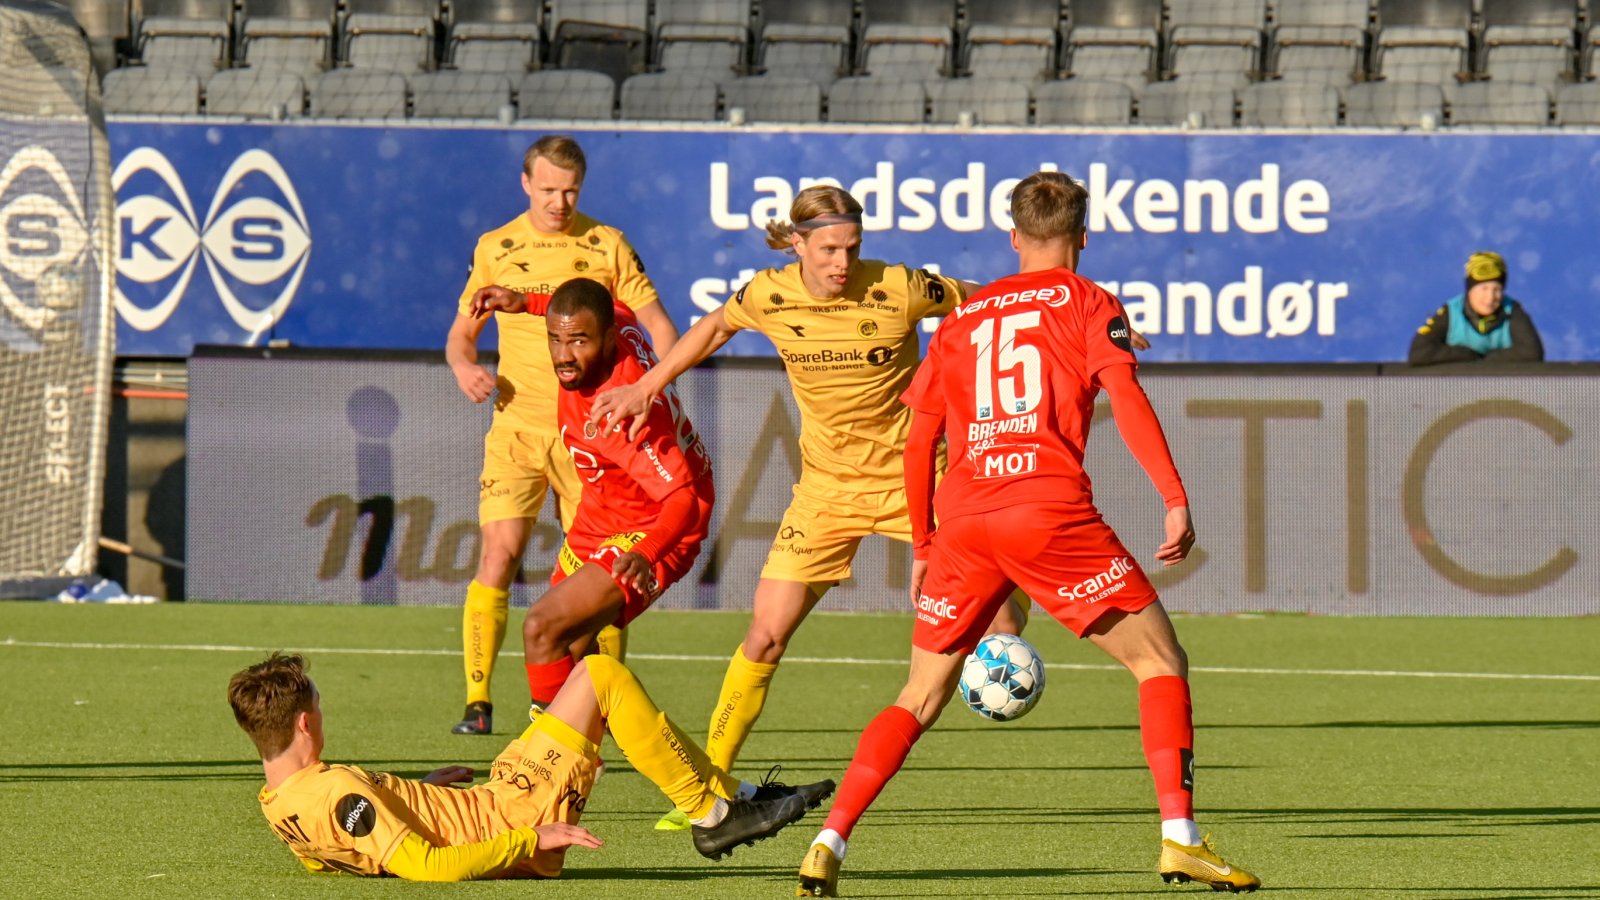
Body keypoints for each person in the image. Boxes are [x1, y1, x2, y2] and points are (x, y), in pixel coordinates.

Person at [795, 171, 1260, 896]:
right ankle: (1181, 839)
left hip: (965, 521)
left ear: (1013, 238)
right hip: (1046, 511)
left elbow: (919, 442)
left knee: (917, 695)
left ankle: (830, 839)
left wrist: (923, 544)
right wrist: (1173, 496)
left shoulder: (964, 317)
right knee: (1161, 663)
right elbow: (1126, 397)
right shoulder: (1088, 300)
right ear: (1083, 236)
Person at [587, 185, 1035, 831]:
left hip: (920, 484)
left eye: (851, 247)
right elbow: (715, 326)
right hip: (826, 493)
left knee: (1004, 633)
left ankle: (1008, 598)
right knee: (764, 636)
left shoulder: (901, 286)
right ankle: (706, 789)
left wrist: (1078, 316)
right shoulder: (770, 294)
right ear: (797, 243)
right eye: (828, 249)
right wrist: (647, 385)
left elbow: (988, 297)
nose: (841, 263)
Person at [445, 135, 680, 736]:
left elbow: (655, 322)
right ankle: (477, 701)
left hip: (594, 437)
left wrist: (656, 385)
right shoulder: (496, 247)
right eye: (548, 189)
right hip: (518, 426)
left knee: (601, 575)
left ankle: (600, 710)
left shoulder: (606, 245)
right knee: (498, 554)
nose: (560, 201)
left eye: (571, 189)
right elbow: (461, 336)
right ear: (526, 184)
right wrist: (465, 366)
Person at [227, 651, 833, 880]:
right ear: (304, 723)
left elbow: (329, 855)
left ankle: (730, 796)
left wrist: (414, 794)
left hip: (488, 801)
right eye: (319, 706)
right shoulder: (333, 791)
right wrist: (530, 837)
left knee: (583, 676)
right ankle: (713, 810)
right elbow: (429, 867)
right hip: (509, 819)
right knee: (602, 677)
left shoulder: (279, 804)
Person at [468, 278, 714, 716]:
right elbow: (597, 305)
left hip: (652, 528)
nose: (563, 355)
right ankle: (582, 756)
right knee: (569, 654)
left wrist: (647, 553)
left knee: (544, 628)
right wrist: (525, 302)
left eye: (578, 341)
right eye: (556, 339)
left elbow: (684, 501)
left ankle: (547, 756)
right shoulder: (618, 321)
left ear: (605, 338)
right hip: (600, 515)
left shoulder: (622, 416)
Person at [1408, 250, 1544, 366]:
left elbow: (1532, 352)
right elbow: (1419, 353)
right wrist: (1466, 355)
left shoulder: (1512, 310)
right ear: (1469, 290)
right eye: (1484, 288)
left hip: (1500, 389)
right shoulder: (1451, 312)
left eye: (1497, 289)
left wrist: (1484, 362)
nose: (1490, 297)